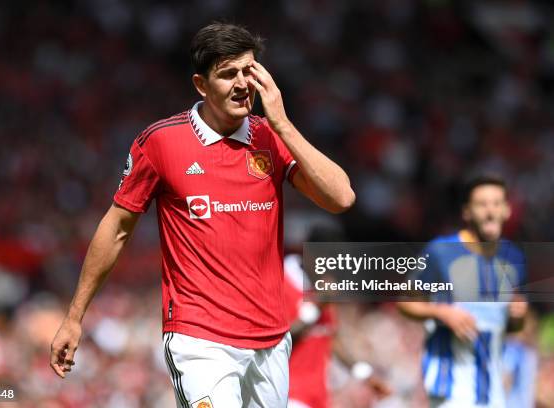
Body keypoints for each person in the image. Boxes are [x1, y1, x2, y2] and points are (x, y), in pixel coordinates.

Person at [50, 22, 355, 408]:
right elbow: (116, 229)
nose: (243, 83)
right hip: (201, 340)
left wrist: (282, 123)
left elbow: (341, 197)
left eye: (249, 71)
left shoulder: (270, 137)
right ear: (201, 85)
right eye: (228, 74)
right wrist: (75, 317)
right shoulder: (161, 142)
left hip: (272, 340)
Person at [398, 175, 528, 407]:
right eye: (482, 204)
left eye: (497, 204)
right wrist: (442, 313)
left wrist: (518, 316)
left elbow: (508, 326)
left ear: (507, 210)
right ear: (467, 212)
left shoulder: (514, 257)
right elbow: (405, 301)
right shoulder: (440, 251)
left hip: (493, 390)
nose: (490, 212)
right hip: (450, 387)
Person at [283, 250, 391, 408]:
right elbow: (282, 338)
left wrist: (364, 373)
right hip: (291, 393)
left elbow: (331, 337)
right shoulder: (284, 283)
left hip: (318, 395)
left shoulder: (320, 293)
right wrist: (316, 306)